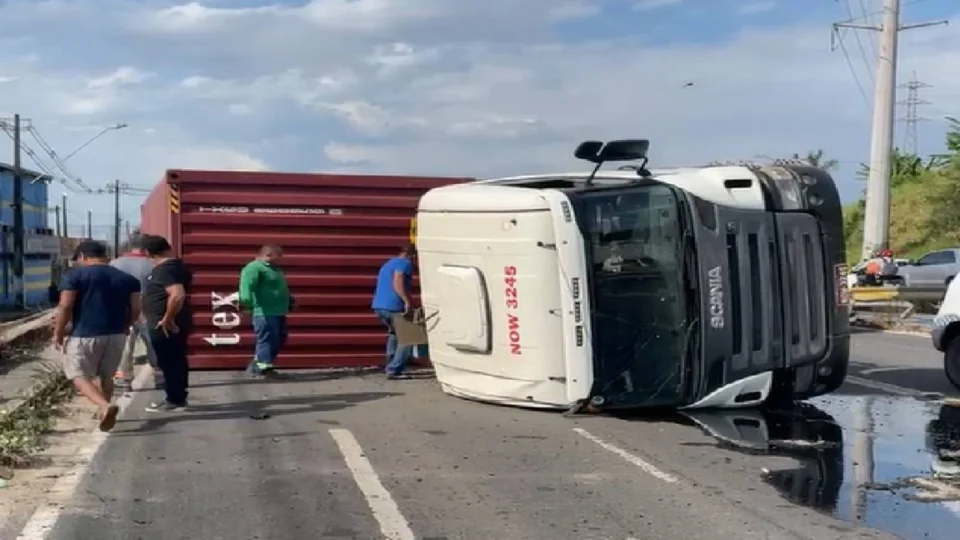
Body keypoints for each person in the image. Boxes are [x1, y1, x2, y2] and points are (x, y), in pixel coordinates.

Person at [52, 239, 140, 432]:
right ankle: (104, 412)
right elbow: (135, 309)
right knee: (107, 376)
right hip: (116, 335)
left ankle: (104, 406)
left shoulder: (75, 276)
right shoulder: (128, 279)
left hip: (84, 334)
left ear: (82, 256)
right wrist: (127, 325)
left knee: (77, 374)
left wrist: (58, 333)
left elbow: (65, 306)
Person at [140, 235, 193, 413]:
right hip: (172, 320)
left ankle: (175, 399)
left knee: (169, 361)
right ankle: (178, 397)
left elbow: (177, 294)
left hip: (165, 323)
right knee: (176, 359)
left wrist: (168, 318)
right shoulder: (177, 266)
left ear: (148, 253)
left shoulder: (165, 269)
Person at [110, 234, 164, 390]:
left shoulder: (115, 264)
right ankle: (160, 377)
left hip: (122, 309)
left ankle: (124, 378)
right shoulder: (153, 264)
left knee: (126, 344)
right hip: (149, 309)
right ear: (145, 248)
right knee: (153, 343)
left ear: (130, 246)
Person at [239, 244, 293, 377]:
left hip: (278, 311)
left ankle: (257, 364)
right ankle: (264, 369)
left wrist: (290, 300)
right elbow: (247, 286)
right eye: (278, 256)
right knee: (267, 338)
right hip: (264, 312)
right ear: (268, 255)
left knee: (280, 337)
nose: (281, 259)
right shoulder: (254, 268)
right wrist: (246, 303)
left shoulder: (274, 269)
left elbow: (279, 288)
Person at [371, 244, 417, 380]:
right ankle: (394, 369)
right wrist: (406, 301)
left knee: (394, 334)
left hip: (379, 305)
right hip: (394, 306)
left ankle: (390, 363)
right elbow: (398, 279)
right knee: (409, 338)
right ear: (412, 255)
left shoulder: (388, 263)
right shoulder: (405, 263)